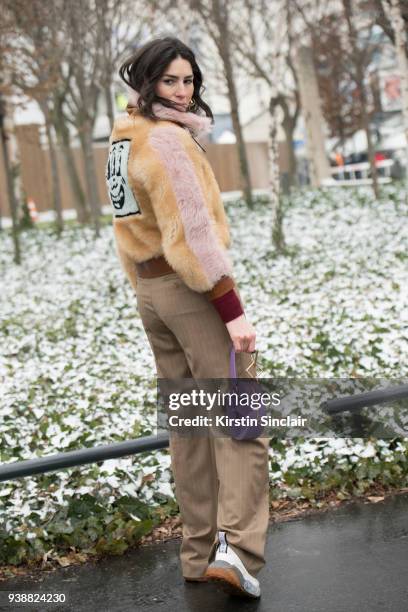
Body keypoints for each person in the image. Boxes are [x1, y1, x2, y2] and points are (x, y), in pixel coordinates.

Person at [106, 36, 269, 599]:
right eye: (169, 81)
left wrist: (147, 292)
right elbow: (194, 237)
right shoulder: (169, 143)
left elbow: (126, 226)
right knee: (243, 420)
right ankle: (241, 552)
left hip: (152, 295)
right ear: (146, 83)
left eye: (188, 80)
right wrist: (232, 311)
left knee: (192, 426)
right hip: (192, 291)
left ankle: (199, 554)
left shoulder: (123, 139)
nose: (181, 92)